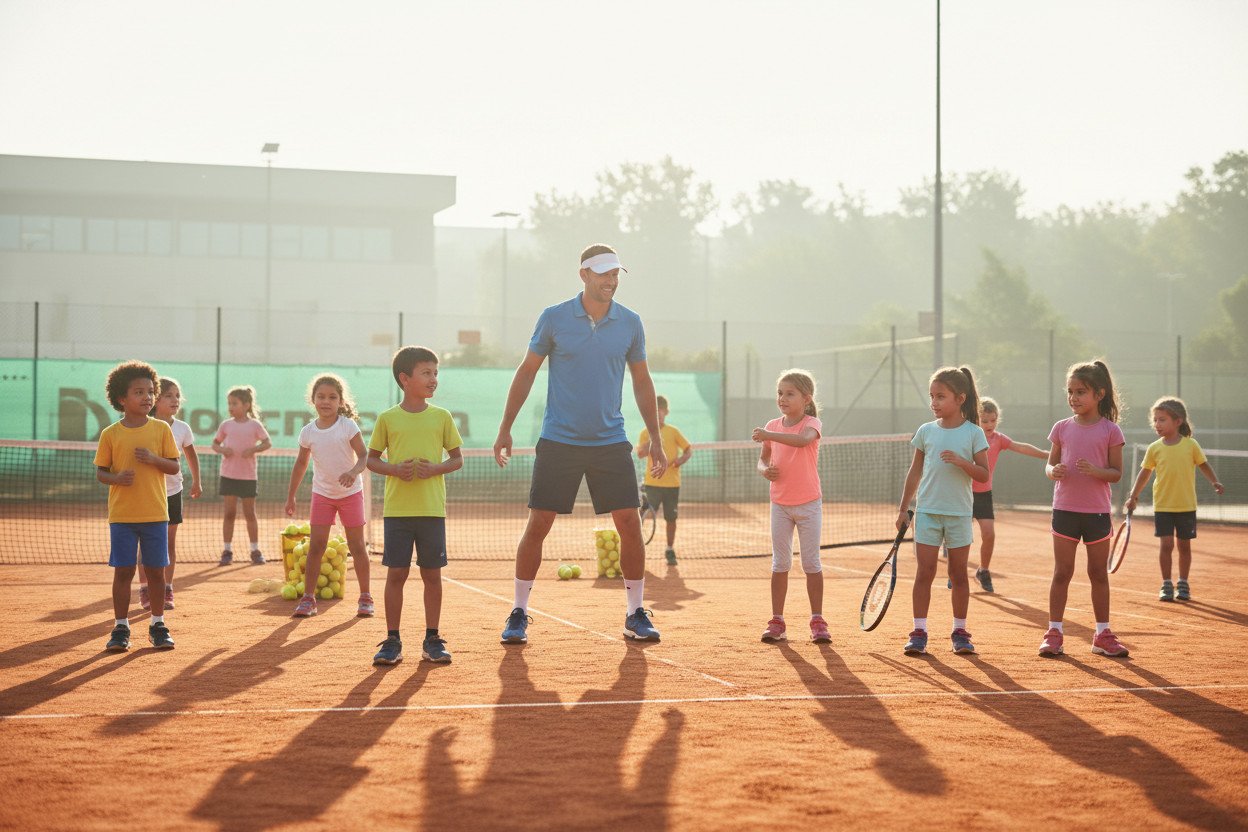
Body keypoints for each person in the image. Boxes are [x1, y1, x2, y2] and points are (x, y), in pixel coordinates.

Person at [493, 243, 668, 645]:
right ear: (584, 274)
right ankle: (518, 611)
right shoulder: (554, 318)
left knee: (630, 523)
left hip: (611, 441)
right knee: (539, 523)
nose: (612, 280)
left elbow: (642, 380)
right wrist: (505, 427)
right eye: (604, 273)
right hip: (559, 440)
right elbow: (527, 371)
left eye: (616, 273)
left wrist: (656, 439)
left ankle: (635, 613)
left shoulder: (631, 322)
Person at [368, 346, 463, 665]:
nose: (433, 379)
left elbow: (457, 459)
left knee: (432, 576)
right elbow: (371, 459)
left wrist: (435, 468)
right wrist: (394, 469)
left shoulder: (442, 416)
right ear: (405, 379)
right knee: (396, 574)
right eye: (426, 373)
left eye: (436, 373)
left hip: (432, 511)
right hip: (397, 512)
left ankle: (432, 639)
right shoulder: (387, 418)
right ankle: (392, 640)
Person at [897, 367, 990, 656]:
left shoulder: (974, 433)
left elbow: (983, 474)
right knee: (924, 572)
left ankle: (960, 631)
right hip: (927, 513)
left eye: (941, 396)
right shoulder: (926, 431)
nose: (934, 402)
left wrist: (963, 462)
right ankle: (919, 632)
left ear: (960, 398)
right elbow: (915, 472)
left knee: (958, 574)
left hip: (959, 514)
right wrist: (904, 508)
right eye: (932, 396)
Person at [1040, 359, 1128, 658]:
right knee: (1062, 572)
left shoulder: (1111, 431)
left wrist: (1095, 471)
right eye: (1070, 391)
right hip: (1064, 510)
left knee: (1098, 574)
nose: (1073, 397)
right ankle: (1054, 633)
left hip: (1097, 513)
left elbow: (1116, 473)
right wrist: (1053, 471)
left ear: (1099, 394)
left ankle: (1102, 634)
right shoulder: (1061, 428)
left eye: (1080, 392)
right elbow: (1049, 465)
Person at [94, 361, 181, 651]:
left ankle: (158, 624)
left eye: (151, 392)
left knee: (156, 572)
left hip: (155, 514)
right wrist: (117, 478)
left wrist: (154, 459)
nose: (147, 397)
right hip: (122, 517)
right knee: (124, 572)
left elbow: (174, 466)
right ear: (122, 398)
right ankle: (121, 627)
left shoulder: (161, 429)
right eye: (139, 392)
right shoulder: (110, 434)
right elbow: (101, 473)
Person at [285, 373, 374, 618]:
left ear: (340, 401)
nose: (326, 401)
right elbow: (301, 464)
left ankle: (365, 597)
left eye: (332, 397)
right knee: (316, 546)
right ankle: (308, 599)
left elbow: (364, 456)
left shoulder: (348, 426)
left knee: (357, 546)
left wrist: (353, 472)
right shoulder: (307, 432)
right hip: (322, 494)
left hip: (350, 494)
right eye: (321, 396)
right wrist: (291, 496)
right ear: (313, 400)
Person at [753, 370, 830, 644]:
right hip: (780, 505)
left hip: (809, 505)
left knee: (811, 563)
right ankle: (777, 621)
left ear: (806, 399)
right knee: (780, 563)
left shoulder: (812, 424)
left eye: (789, 394)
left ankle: (818, 621)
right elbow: (763, 460)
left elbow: (802, 441)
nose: (782, 398)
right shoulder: (772, 425)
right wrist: (765, 470)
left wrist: (769, 434)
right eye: (780, 393)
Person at [1125, 397, 1224, 603]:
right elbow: (1144, 473)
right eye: (1155, 420)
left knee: (1184, 546)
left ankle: (1183, 583)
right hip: (1163, 506)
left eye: (1162, 420)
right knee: (1166, 545)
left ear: (1178, 421)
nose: (1157, 424)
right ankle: (1166, 583)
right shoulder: (1154, 448)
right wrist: (1133, 496)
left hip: (1186, 506)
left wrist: (1214, 481)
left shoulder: (1191, 445)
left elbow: (1203, 464)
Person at [965, 397, 1047, 593]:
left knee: (989, 534)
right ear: (976, 420)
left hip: (984, 495)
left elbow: (1021, 447)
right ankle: (956, 572)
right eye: (985, 421)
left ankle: (983, 570)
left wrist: (1047, 454)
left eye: (993, 420)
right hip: (964, 494)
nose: (989, 425)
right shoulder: (968, 437)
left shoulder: (998, 439)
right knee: (962, 537)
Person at [137, 377, 200, 612]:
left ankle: (167, 588)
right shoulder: (144, 425)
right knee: (145, 543)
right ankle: (145, 589)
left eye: (177, 396)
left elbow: (191, 455)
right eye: (168, 396)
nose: (175, 400)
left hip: (173, 491)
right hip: (148, 492)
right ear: (156, 400)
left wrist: (197, 481)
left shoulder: (182, 428)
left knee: (168, 542)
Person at [212, 385, 271, 566]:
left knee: (249, 513)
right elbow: (215, 444)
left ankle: (255, 550)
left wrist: (253, 449)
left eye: (234, 403)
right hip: (228, 476)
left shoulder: (255, 425)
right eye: (229, 403)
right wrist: (223, 449)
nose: (230, 407)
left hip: (248, 477)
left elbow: (267, 442)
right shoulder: (226, 425)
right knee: (229, 513)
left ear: (246, 405)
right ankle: (227, 551)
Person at [636, 394, 693, 565]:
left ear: (666, 412)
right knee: (643, 515)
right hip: (652, 483)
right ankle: (636, 547)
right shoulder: (645, 433)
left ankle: (669, 549)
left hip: (671, 485)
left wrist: (680, 461)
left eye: (660, 411)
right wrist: (652, 439)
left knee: (671, 519)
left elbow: (688, 449)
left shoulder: (673, 431)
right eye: (654, 411)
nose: (658, 414)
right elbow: (640, 454)